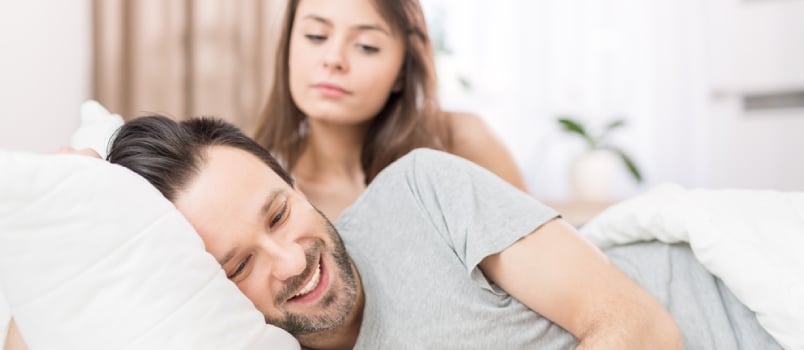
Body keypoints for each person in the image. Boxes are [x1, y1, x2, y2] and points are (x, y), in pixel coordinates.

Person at [107, 115, 683, 349]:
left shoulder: (420, 190)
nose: (289, 262)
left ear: (295, 184)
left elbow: (637, 325)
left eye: (279, 214)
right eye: (239, 266)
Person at [253, 0, 527, 220]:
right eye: (316, 36)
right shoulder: (266, 190)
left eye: (366, 46)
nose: (333, 59)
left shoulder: (460, 141)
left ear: (401, 72)